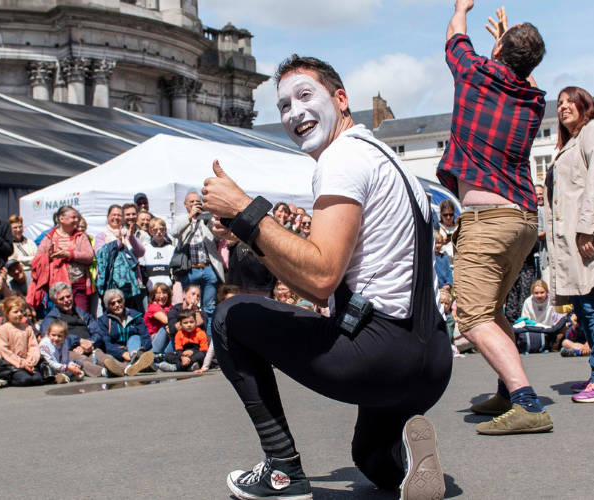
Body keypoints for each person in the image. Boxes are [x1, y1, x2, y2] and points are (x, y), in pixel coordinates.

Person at [204, 53, 450, 498]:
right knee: (369, 457)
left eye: (304, 95)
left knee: (230, 315)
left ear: (340, 99)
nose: (294, 112)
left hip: (381, 352)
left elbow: (319, 277)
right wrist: (250, 229)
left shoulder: (342, 159)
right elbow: (317, 281)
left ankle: (282, 470)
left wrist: (244, 209)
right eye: (283, 105)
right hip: (433, 357)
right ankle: (407, 463)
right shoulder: (391, 163)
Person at [438, 0, 549, 438]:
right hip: (523, 219)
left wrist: (461, 6)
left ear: (498, 50)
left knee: (473, 315)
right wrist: (507, 45)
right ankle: (506, 390)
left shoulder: (475, 74)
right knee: (495, 309)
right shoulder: (533, 99)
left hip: (488, 219)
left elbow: (453, 35)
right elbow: (527, 80)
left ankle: (527, 402)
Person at [543, 86, 594, 404]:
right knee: (583, 303)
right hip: (577, 236)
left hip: (591, 233)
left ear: (585, 105)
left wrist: (587, 231)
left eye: (569, 102)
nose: (563, 107)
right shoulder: (574, 142)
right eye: (559, 103)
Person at [172, 192, 224, 326]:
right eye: (192, 202)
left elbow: (218, 236)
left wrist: (208, 220)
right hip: (190, 270)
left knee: (210, 307)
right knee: (190, 306)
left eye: (198, 202)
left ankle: (208, 337)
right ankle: (193, 337)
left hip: (208, 268)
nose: (196, 204)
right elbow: (174, 232)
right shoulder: (181, 219)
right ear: (185, 205)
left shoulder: (207, 219)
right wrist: (190, 217)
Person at [32, 206, 94, 313]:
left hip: (78, 285)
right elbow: (36, 262)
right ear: (61, 219)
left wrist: (69, 254)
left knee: (82, 316)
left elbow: (89, 256)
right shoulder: (48, 238)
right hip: (58, 289)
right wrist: (48, 257)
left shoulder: (81, 236)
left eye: (77, 217)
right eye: (73, 217)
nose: (76, 220)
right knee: (61, 320)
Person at [90, 288, 153, 377]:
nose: (117, 305)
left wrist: (141, 350)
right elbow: (107, 344)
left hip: (134, 349)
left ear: (123, 301)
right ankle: (134, 365)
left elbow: (145, 337)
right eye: (113, 303)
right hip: (116, 353)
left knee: (135, 337)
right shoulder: (103, 321)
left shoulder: (135, 315)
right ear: (108, 306)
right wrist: (123, 354)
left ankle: (133, 362)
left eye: (119, 301)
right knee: (107, 357)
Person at [0, 296, 49, 387]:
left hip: (28, 362)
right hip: (11, 364)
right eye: (15, 312)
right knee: (25, 380)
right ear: (7, 313)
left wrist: (30, 361)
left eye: (21, 311)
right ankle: (7, 379)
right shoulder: (3, 330)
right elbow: (5, 351)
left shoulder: (27, 328)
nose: (19, 314)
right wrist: (22, 363)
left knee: (37, 379)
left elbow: (33, 346)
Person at [140, 217, 176, 292]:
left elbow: (174, 270)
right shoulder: (145, 249)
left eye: (161, 229)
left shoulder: (171, 249)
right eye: (155, 230)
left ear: (165, 230)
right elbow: (142, 270)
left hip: (167, 289)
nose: (159, 232)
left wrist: (171, 282)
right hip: (151, 289)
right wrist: (147, 283)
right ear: (150, 231)